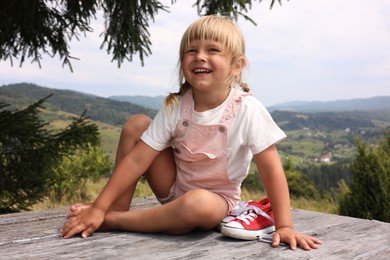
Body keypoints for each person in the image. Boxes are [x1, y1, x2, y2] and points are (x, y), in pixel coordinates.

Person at [59, 15, 321, 251]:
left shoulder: (248, 109)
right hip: (174, 187)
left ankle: (114, 221)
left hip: (215, 202)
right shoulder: (178, 105)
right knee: (137, 124)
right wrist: (98, 205)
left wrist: (284, 226)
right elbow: (138, 159)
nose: (200, 56)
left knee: (197, 204)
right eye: (191, 50)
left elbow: (272, 170)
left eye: (213, 50)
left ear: (237, 65)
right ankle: (113, 211)